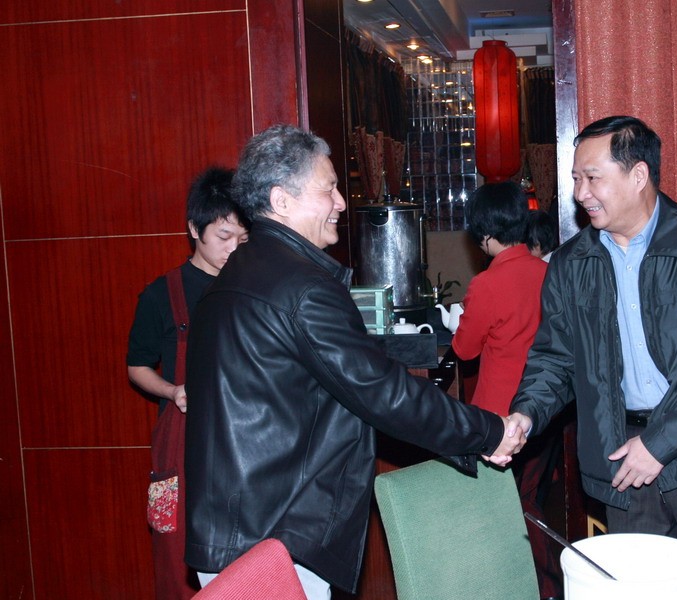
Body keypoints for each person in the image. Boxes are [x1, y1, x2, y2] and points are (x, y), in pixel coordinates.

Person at [183, 125, 526, 599]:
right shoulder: (301, 288)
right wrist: (488, 431)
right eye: (328, 189)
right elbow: (383, 393)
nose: (342, 203)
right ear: (281, 200)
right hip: (274, 538)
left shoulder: (232, 279)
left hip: (233, 528)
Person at [508, 115, 677, 538]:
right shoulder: (569, 265)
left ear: (638, 176)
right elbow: (555, 359)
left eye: (592, 178)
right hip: (624, 460)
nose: (580, 193)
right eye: (576, 179)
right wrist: (526, 413)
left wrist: (660, 444)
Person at [126, 166, 249, 599]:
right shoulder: (163, 294)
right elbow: (137, 366)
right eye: (223, 236)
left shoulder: (252, 288)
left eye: (242, 239)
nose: (233, 249)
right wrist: (172, 391)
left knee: (245, 563)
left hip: (242, 444)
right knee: (177, 562)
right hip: (180, 447)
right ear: (195, 229)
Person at [450, 181, 562, 599]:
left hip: (498, 419)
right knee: (530, 501)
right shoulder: (549, 274)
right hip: (546, 411)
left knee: (500, 512)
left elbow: (464, 349)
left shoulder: (487, 284)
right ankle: (545, 585)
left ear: (484, 235)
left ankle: (517, 586)